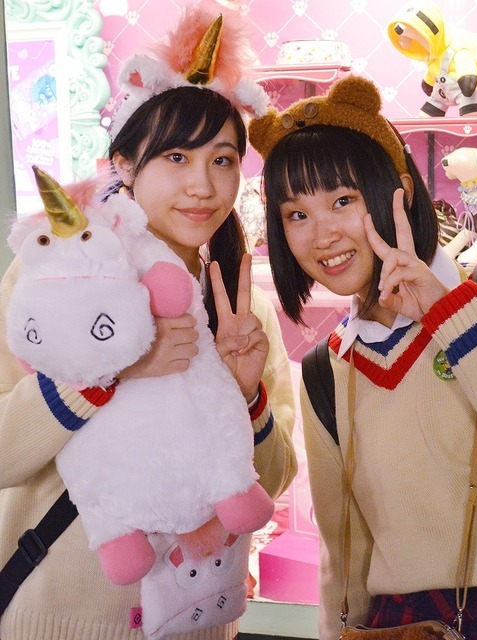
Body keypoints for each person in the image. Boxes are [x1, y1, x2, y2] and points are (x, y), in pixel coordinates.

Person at [0, 5, 297, 640]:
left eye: (222, 160)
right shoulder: (52, 278)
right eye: (176, 157)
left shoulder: (242, 307)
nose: (203, 185)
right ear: (126, 166)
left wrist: (245, 394)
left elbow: (269, 483)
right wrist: (108, 371)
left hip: (197, 623)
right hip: (60, 623)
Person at [248, 74, 477, 638]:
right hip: (397, 625)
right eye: (296, 214)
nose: (322, 235)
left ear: (400, 191)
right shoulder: (326, 370)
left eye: (343, 201)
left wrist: (446, 314)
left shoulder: (470, 317)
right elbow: (342, 550)